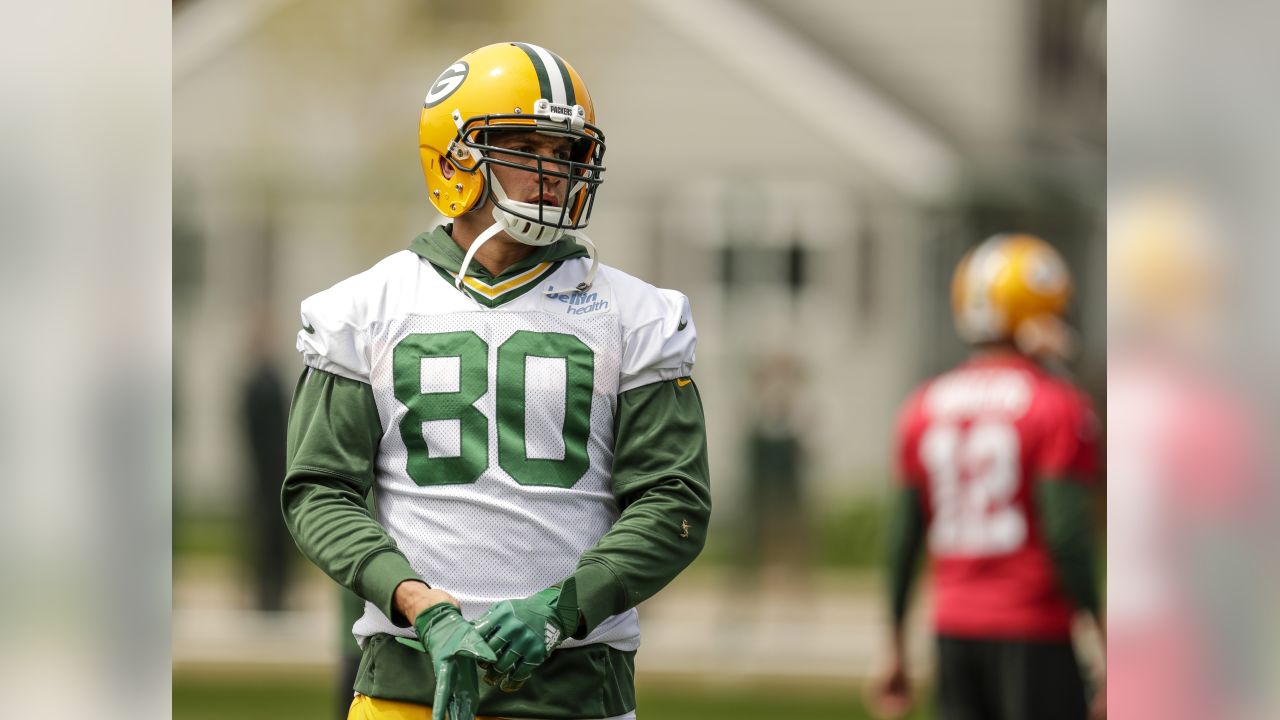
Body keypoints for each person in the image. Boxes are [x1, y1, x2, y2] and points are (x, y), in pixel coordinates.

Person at [281, 42, 711, 720]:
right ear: (455, 157)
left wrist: (561, 608)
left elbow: (673, 503)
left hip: (576, 693)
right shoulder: (363, 310)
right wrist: (418, 604)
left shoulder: (637, 315)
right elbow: (320, 492)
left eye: (567, 153)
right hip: (405, 689)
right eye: (525, 147)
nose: (553, 172)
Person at [871, 234, 1104, 720]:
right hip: (1032, 627)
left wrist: (893, 642)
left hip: (953, 626)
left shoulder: (922, 405)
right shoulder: (1056, 404)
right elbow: (1065, 532)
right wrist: (1101, 628)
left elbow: (903, 538)